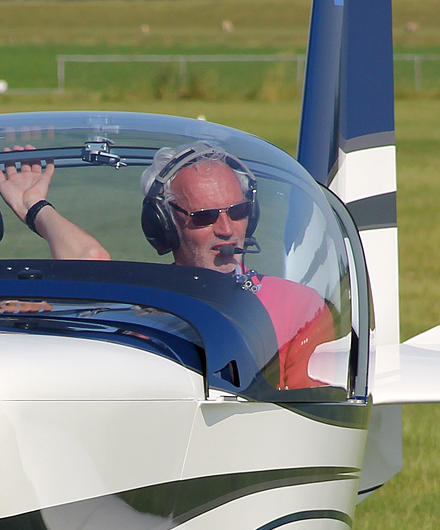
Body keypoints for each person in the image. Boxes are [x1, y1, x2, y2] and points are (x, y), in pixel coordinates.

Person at [141, 142, 335, 389]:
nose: (227, 229)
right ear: (164, 224)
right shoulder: (140, 311)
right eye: (204, 216)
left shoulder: (301, 307)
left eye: (238, 211)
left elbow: (313, 414)